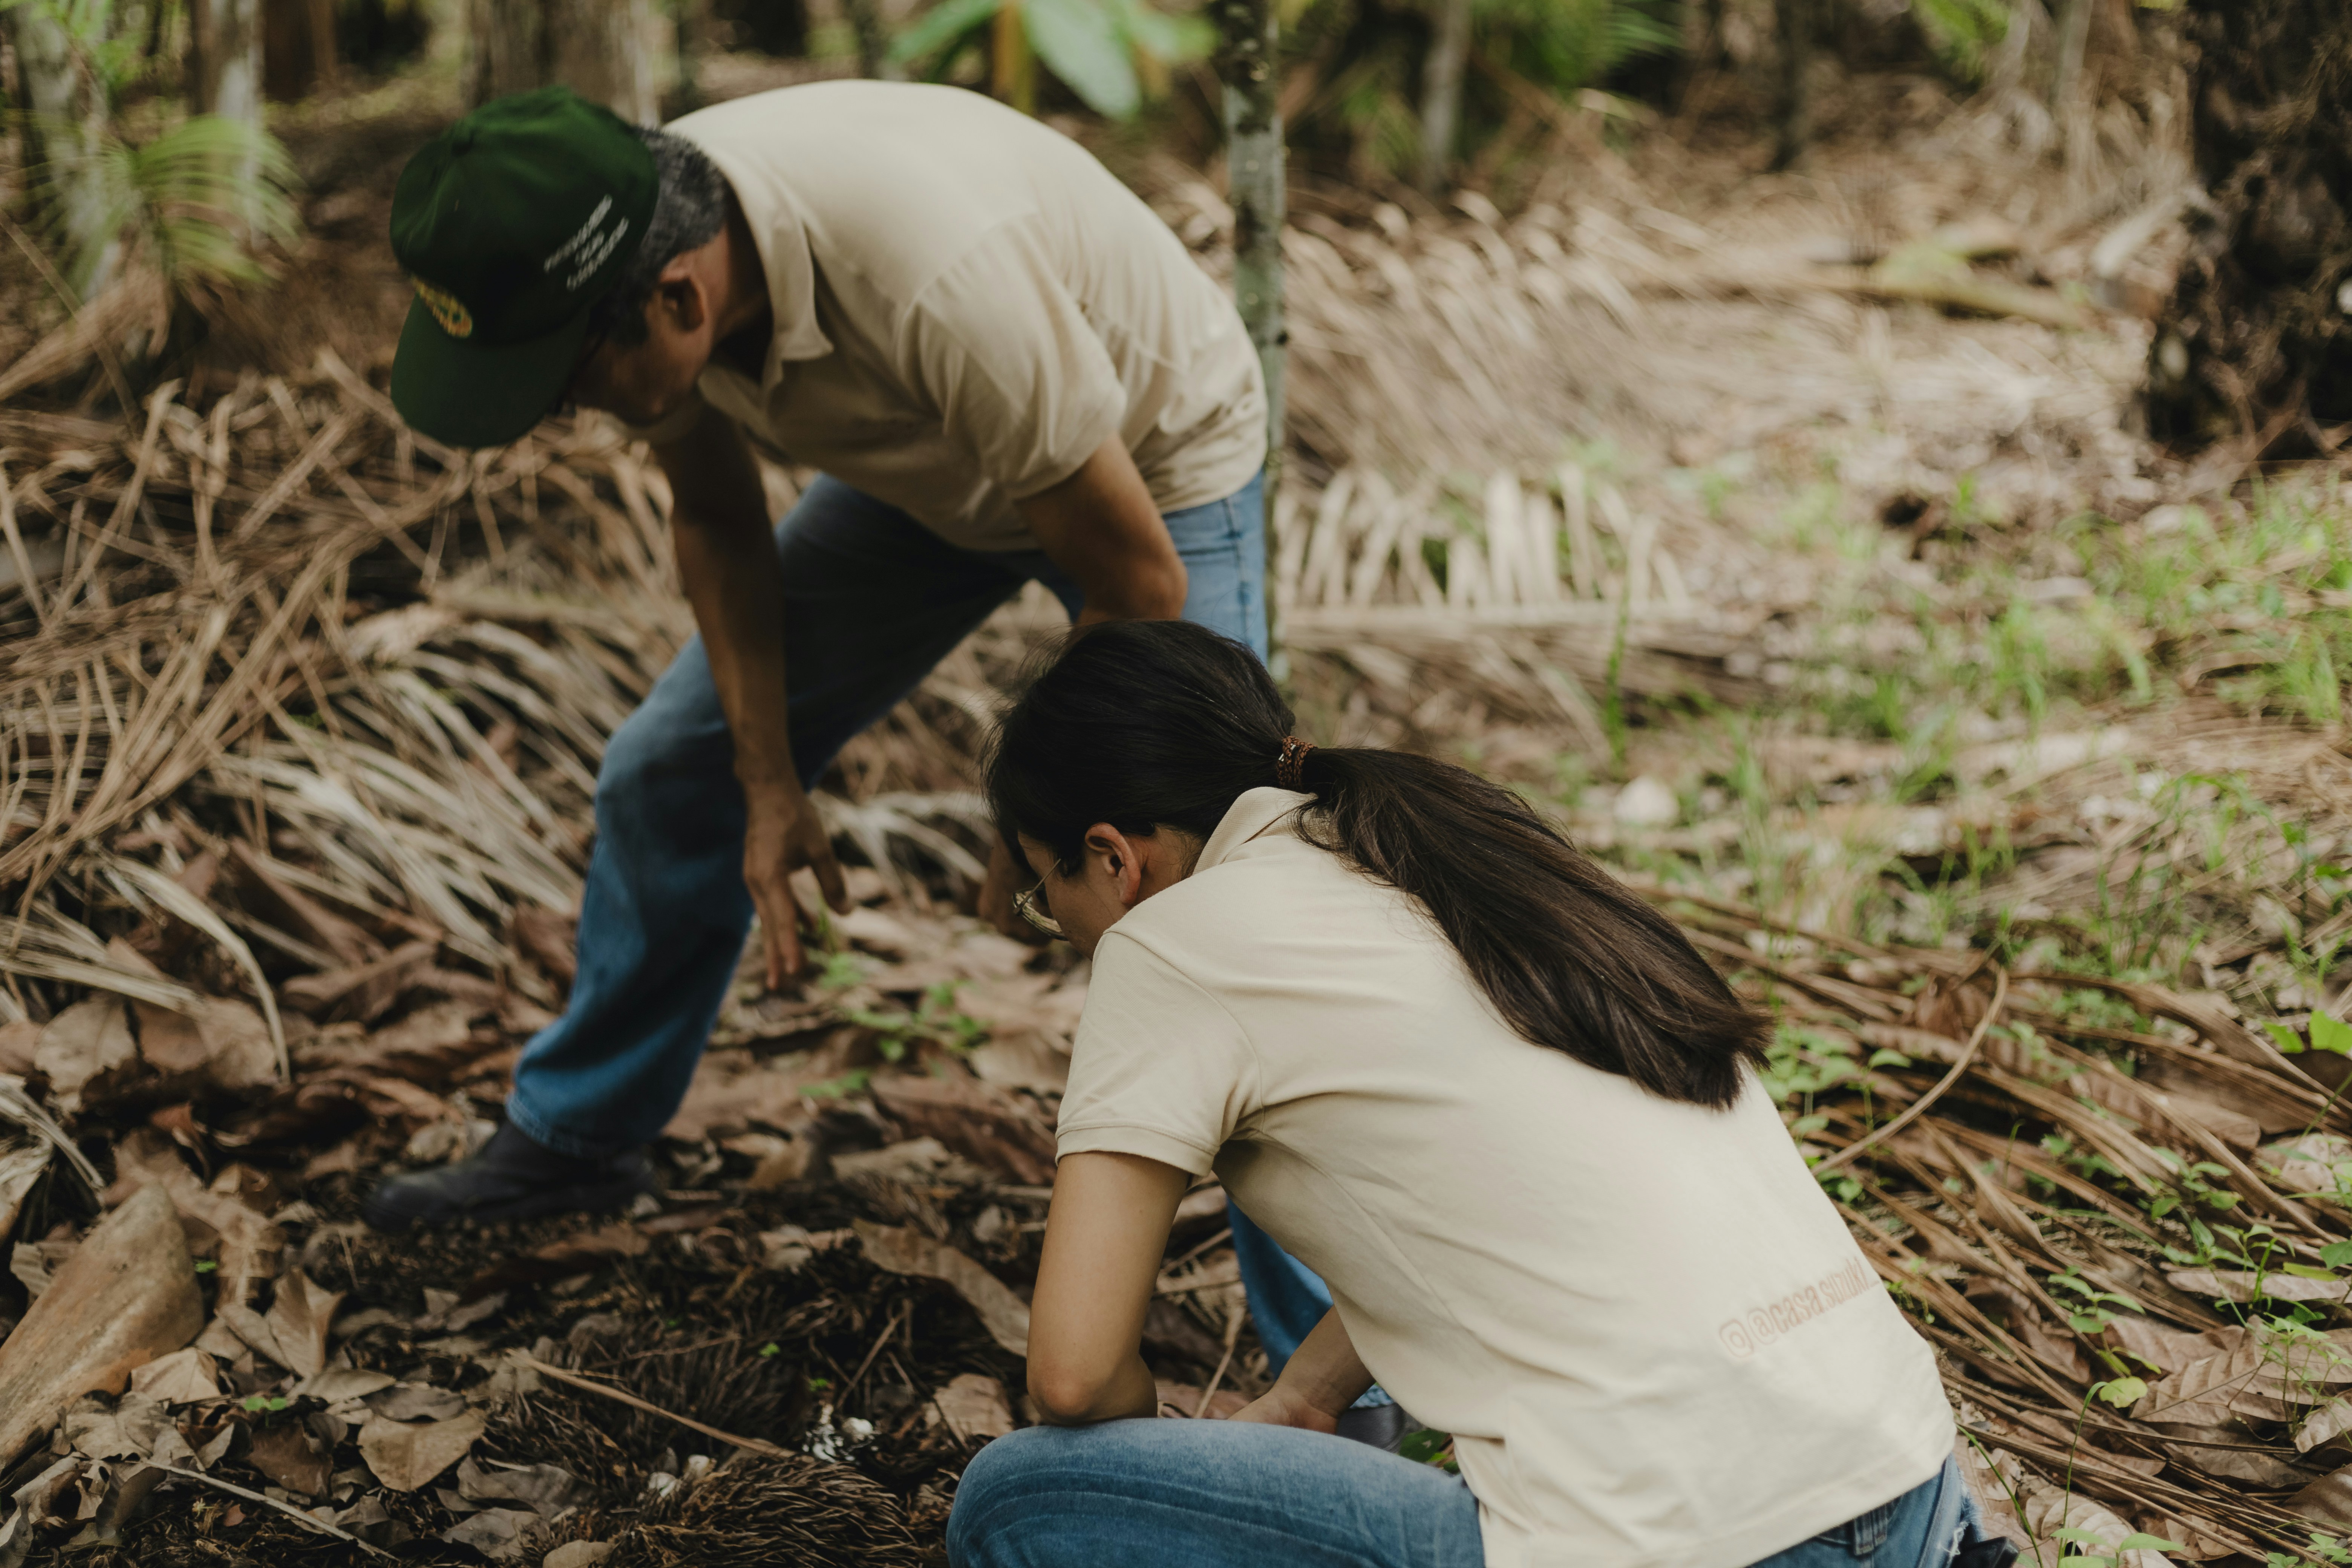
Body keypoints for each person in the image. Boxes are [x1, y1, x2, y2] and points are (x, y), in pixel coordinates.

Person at [359, 81, 1397, 1440]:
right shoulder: (645, 250)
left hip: (1146, 467)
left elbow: (1133, 581)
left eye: (568, 385)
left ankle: (1335, 1382)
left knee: (1213, 907)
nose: (570, 412)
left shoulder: (931, 277)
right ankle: (577, 1138)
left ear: (677, 301)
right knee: (669, 771)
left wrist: (1035, 836)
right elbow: (720, 518)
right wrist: (770, 783)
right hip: (936, 473)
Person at [946, 620, 2013, 1568]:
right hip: (1909, 1485)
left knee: (1019, 1498)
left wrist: (1156, 1443)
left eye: (1049, 899)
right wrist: (1309, 1400)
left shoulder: (1168, 944)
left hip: (1696, 1535)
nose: (1069, 933)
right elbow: (1494, 1174)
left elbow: (1077, 1378)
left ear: (1113, 857)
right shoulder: (1443, 863)